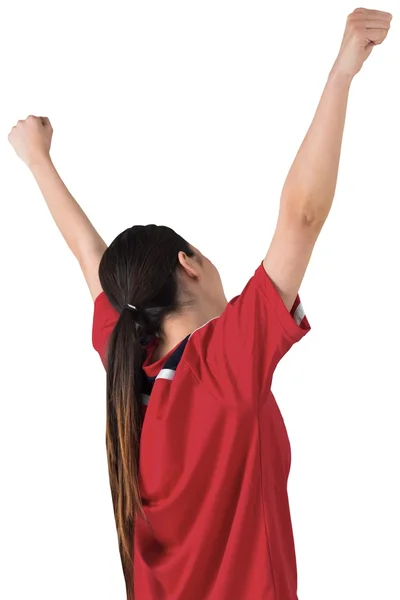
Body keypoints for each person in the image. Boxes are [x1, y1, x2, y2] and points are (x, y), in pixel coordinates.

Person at [8, 7, 392, 600]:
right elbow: (303, 217)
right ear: (189, 263)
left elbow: (91, 257)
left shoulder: (129, 365)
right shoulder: (222, 364)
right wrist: (342, 74)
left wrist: (38, 161)